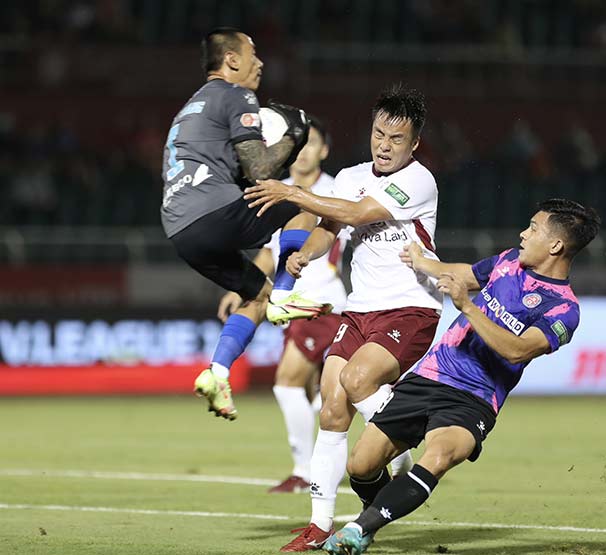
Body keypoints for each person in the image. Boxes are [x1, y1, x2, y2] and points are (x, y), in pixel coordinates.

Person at [319, 199, 601, 555]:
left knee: (437, 458)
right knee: (360, 464)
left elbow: (515, 350)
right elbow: (466, 275)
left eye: (532, 228)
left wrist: (467, 305)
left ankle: (360, 530)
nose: (523, 234)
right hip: (430, 376)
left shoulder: (563, 309)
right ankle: (373, 517)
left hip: (475, 399)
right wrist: (423, 263)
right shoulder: (507, 262)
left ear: (556, 245)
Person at [244, 84, 442, 552]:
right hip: (359, 311)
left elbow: (357, 212)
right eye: (379, 134)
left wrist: (292, 192)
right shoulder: (352, 174)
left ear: (414, 144)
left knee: (355, 381)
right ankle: (319, 524)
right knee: (332, 407)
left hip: (410, 308)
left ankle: (408, 430)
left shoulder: (419, 180)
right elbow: (331, 227)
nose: (385, 145)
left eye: (397, 139)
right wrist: (306, 256)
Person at [160, 27, 330, 421]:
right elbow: (260, 168)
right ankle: (287, 295)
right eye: (253, 54)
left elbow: (235, 170)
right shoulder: (236, 95)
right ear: (232, 60)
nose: (260, 63)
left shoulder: (189, 109)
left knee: (256, 296)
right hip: (211, 211)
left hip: (180, 229)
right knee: (298, 199)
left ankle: (217, 373)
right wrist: (295, 134)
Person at [220, 116, 348, 493]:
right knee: (323, 392)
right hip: (288, 301)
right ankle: (379, 455)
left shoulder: (337, 189)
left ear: (324, 150)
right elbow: (268, 251)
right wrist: (238, 288)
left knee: (287, 383)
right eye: (299, 144)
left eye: (312, 144)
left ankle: (304, 471)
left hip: (322, 299)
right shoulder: (278, 191)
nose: (304, 152)